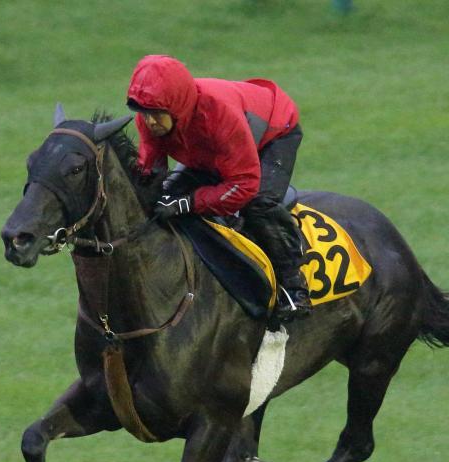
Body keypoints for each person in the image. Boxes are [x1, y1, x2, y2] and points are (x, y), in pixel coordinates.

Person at [126, 54, 311, 320]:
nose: (149, 121)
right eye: (144, 112)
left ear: (176, 105)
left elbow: (243, 185)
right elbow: (150, 170)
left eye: (156, 112)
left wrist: (188, 202)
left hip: (273, 136)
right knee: (165, 200)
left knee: (259, 203)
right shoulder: (149, 120)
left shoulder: (219, 115)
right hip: (215, 148)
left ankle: (294, 287)